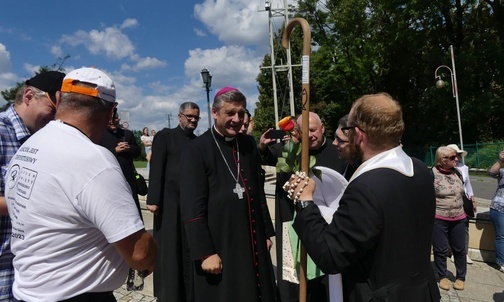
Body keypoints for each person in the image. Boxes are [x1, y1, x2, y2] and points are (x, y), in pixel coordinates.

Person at [4, 67, 156, 301]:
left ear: (59, 99)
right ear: (110, 112)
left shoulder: (31, 144)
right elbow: (139, 253)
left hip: (30, 291)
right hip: (77, 295)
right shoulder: (93, 159)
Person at [285, 93, 440, 301]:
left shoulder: (367, 187)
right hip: (419, 291)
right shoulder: (420, 169)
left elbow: (331, 255)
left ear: (358, 134)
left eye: (347, 130)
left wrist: (305, 202)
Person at [180, 87, 276, 302]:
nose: (237, 119)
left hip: (252, 238)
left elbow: (257, 192)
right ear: (215, 113)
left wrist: (266, 233)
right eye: (230, 113)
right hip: (218, 241)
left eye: (241, 113)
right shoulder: (196, 150)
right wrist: (205, 252)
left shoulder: (248, 144)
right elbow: (191, 207)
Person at [259, 112, 343, 302]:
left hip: (326, 226)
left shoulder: (337, 151)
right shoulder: (289, 151)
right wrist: (263, 147)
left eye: (313, 130)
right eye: (305, 132)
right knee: (294, 283)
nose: (310, 136)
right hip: (292, 224)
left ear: (322, 129)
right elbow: (266, 157)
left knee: (325, 285)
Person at [0, 70, 65, 300]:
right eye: (52, 109)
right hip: (4, 272)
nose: (56, 118)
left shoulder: (46, 140)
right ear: (29, 96)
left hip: (36, 276)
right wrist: (39, 202)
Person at [146, 102, 200, 302]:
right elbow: (156, 166)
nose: (193, 120)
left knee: (187, 246)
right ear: (180, 116)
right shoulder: (165, 136)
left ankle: (188, 291)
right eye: (189, 116)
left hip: (190, 202)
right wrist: (153, 199)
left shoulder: (197, 141)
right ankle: (169, 293)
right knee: (169, 248)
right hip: (168, 203)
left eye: (196, 117)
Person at [99, 107, 143, 291]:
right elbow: (98, 152)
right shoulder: (101, 134)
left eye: (115, 119)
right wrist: (114, 150)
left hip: (129, 181)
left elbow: (137, 151)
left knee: (134, 216)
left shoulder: (127, 133)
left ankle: (135, 261)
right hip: (111, 182)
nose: (113, 122)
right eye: (110, 119)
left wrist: (128, 147)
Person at [431, 146, 468, 291]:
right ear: (442, 160)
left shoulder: (457, 172)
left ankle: (461, 277)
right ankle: (442, 276)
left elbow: (465, 191)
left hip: (459, 217)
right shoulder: (431, 174)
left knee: (460, 249)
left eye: (456, 157)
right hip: (439, 218)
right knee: (440, 249)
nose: (457, 159)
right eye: (453, 157)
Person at [447, 144, 476, 265]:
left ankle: (463, 253)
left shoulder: (464, 168)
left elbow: (467, 185)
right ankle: (452, 251)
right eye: (454, 155)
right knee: (448, 226)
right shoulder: (441, 168)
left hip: (463, 200)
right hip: (448, 201)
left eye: (458, 155)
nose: (457, 158)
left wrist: (472, 200)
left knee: (464, 226)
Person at [489, 150, 504, 273]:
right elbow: (492, 172)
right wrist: (501, 160)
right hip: (500, 209)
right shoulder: (503, 172)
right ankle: (501, 262)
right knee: (501, 236)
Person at [333, 114, 358, 180]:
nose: (334, 143)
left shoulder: (366, 172)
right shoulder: (347, 165)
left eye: (340, 140)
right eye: (335, 137)